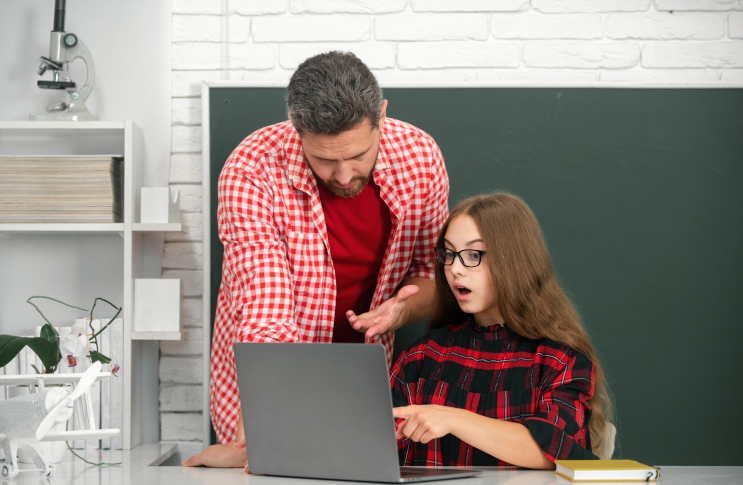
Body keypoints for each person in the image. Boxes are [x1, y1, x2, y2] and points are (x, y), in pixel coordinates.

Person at [183, 51, 449, 469]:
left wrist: (401, 311)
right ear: (297, 129)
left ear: (381, 115)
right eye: (325, 159)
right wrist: (268, 426)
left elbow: (430, 275)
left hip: (365, 385)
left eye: (358, 155)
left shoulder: (421, 158)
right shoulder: (250, 170)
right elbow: (265, 315)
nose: (344, 176)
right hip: (265, 384)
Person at [390, 193, 612, 468]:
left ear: (514, 261)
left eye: (473, 255)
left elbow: (559, 451)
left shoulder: (559, 358)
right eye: (448, 254)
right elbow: (371, 440)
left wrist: (451, 418)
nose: (454, 269)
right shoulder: (423, 356)